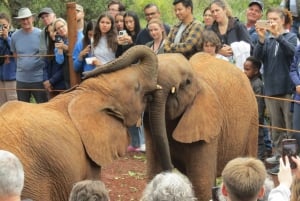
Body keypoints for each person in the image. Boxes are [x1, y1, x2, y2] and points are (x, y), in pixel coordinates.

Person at [254, 7, 297, 174]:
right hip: (271, 89)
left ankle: (291, 158)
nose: (271, 22)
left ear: (283, 21)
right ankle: (279, 155)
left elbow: (293, 54)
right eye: (269, 19)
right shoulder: (268, 40)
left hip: (287, 89)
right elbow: (257, 58)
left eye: (275, 19)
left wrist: (278, 36)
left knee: (289, 127)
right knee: (275, 127)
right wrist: (261, 39)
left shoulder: (291, 37)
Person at [11, 7, 48, 103]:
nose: (25, 21)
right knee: (22, 109)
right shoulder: (15, 36)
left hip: (38, 78)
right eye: (23, 19)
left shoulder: (41, 34)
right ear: (19, 21)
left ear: (32, 18)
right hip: (21, 79)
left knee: (42, 107)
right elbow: (15, 54)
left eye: (27, 18)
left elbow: (45, 54)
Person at [243, 56, 272, 161]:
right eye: (244, 69)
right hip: (248, 116)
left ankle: (259, 158)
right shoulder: (247, 81)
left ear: (255, 71)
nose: (244, 72)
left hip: (256, 117)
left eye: (247, 69)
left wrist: (257, 117)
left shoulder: (257, 84)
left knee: (258, 138)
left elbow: (259, 104)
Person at [209, 0, 252, 67]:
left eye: (217, 10)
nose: (215, 14)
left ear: (224, 10)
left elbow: (250, 47)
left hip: (237, 68)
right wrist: (218, 51)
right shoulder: (210, 30)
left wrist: (234, 49)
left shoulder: (238, 26)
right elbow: (204, 49)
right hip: (217, 68)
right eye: (212, 12)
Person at [43, 22, 66, 99]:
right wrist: (46, 80)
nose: (52, 34)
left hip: (62, 86)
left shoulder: (64, 44)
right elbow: (45, 66)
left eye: (54, 31)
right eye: (50, 32)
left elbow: (64, 67)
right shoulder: (49, 48)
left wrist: (51, 81)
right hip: (51, 87)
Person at [0, 12, 17, 105]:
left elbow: (14, 50)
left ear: (9, 25)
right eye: (0, 26)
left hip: (12, 77)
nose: (2, 28)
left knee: (13, 106)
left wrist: (6, 38)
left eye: (4, 26)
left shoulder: (15, 35)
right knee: (2, 107)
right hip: (0, 78)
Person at [289, 43, 300, 159]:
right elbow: (293, 69)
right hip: (298, 97)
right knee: (297, 133)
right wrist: (298, 83)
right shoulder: (299, 49)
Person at [53, 18, 70, 89]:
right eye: (58, 28)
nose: (61, 29)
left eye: (62, 26)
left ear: (66, 25)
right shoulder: (58, 43)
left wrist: (65, 47)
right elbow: (60, 61)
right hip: (67, 75)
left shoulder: (75, 36)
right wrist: (60, 48)